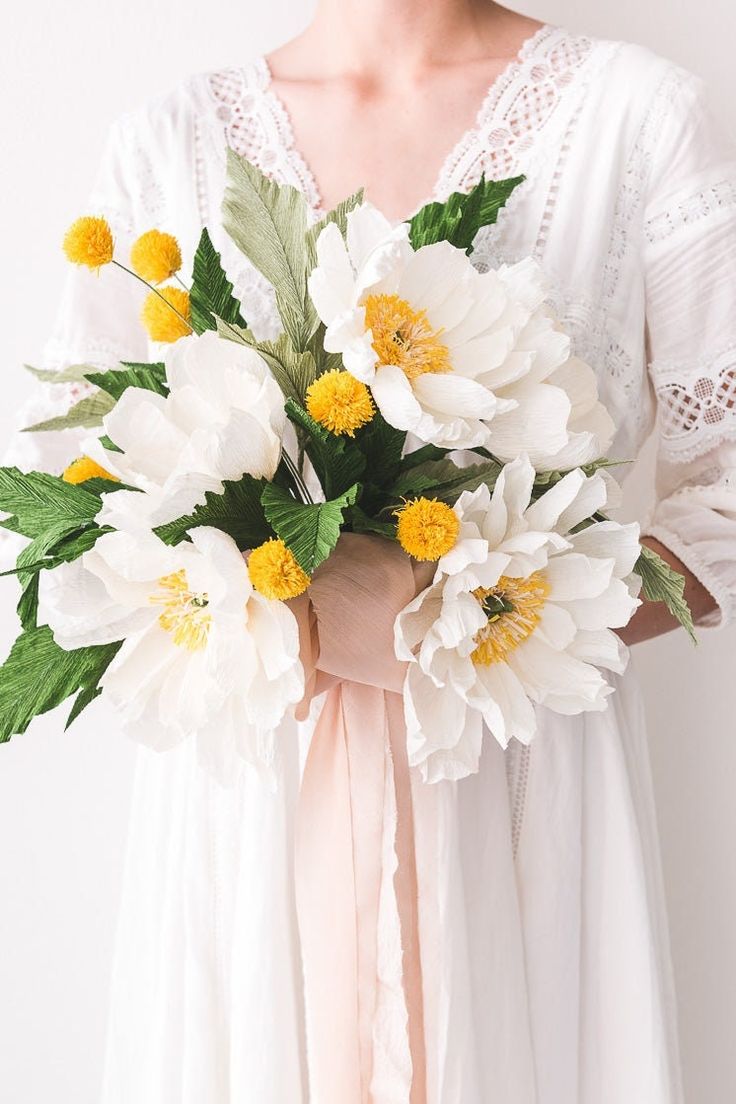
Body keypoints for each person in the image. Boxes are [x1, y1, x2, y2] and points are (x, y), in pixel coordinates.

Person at [15, 1, 736, 1100]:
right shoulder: (171, 144)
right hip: (253, 808)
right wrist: (272, 609)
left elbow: (724, 500)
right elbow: (83, 497)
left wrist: (476, 619)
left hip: (523, 783)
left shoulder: (634, 120)